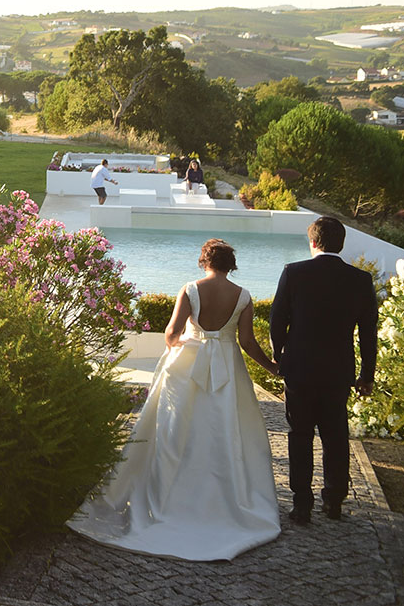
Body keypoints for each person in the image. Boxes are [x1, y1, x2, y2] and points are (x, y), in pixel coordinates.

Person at [69, 239, 282, 560]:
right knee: (226, 431)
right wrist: (273, 367)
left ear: (204, 261)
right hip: (228, 369)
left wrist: (187, 342)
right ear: (230, 264)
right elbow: (248, 342)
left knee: (173, 431)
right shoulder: (244, 296)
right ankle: (221, 501)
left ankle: (168, 498)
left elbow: (171, 333)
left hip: (188, 367)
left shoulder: (191, 289)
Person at [270, 216, 379, 525]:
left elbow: (277, 320)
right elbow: (368, 334)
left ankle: (301, 504)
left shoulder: (294, 273)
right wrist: (366, 376)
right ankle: (333, 500)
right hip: (338, 372)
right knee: (335, 436)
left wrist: (279, 356)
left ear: (313, 243)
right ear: (341, 244)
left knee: (300, 435)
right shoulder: (360, 280)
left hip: (299, 370)